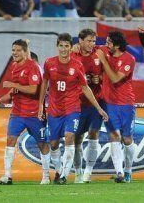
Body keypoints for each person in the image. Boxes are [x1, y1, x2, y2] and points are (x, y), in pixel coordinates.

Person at [38, 33, 108, 185]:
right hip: (55, 110)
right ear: (57, 46)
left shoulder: (77, 65)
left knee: (70, 137)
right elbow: (44, 84)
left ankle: (64, 175)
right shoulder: (49, 63)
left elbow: (85, 88)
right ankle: (58, 170)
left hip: (72, 108)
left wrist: (99, 109)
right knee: (54, 144)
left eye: (66, 46)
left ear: (71, 47)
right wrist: (40, 106)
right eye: (61, 46)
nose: (63, 49)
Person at [0, 39, 50, 185]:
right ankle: (7, 175)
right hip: (17, 113)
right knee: (10, 140)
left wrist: (12, 84)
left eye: (18, 50)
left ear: (25, 52)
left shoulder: (33, 67)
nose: (15, 53)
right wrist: (1, 99)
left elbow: (33, 89)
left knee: (42, 144)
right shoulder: (14, 66)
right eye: (13, 50)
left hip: (34, 114)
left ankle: (46, 176)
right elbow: (15, 89)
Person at [95, 31, 136, 183]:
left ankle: (128, 171)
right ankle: (119, 172)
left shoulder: (129, 59)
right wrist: (75, 47)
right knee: (113, 136)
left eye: (109, 43)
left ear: (117, 45)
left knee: (127, 138)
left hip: (126, 104)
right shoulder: (105, 50)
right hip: (108, 103)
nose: (106, 45)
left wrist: (103, 61)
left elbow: (115, 78)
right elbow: (89, 47)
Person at [71, 29, 105, 183]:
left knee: (93, 134)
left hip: (96, 101)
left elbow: (108, 73)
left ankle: (88, 172)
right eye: (89, 41)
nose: (92, 44)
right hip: (77, 103)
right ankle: (77, 172)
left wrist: (100, 79)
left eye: (93, 41)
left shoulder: (99, 53)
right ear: (80, 41)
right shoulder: (73, 55)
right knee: (77, 138)